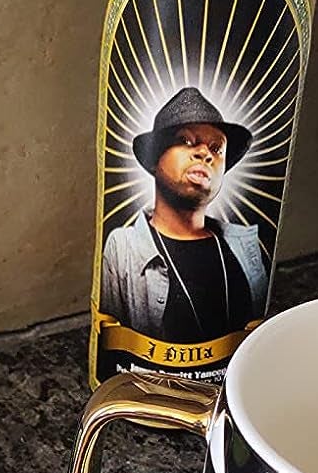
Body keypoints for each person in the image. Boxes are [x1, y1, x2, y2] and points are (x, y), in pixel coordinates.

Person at [100, 86, 268, 341]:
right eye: (185, 140)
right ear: (154, 158)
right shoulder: (123, 248)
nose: (204, 154)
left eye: (216, 148)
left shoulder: (247, 246)